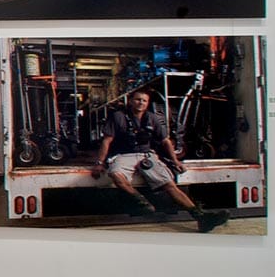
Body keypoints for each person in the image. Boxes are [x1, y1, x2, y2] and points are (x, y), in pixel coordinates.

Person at [94, 89, 227, 231]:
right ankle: (141, 203)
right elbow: (107, 141)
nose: (141, 103)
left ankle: (201, 217)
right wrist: (99, 163)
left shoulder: (152, 118)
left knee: (170, 185)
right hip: (123, 155)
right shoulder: (118, 117)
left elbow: (165, 141)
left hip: (146, 155)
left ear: (147, 103)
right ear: (131, 101)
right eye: (138, 100)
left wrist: (175, 161)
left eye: (144, 101)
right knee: (116, 174)